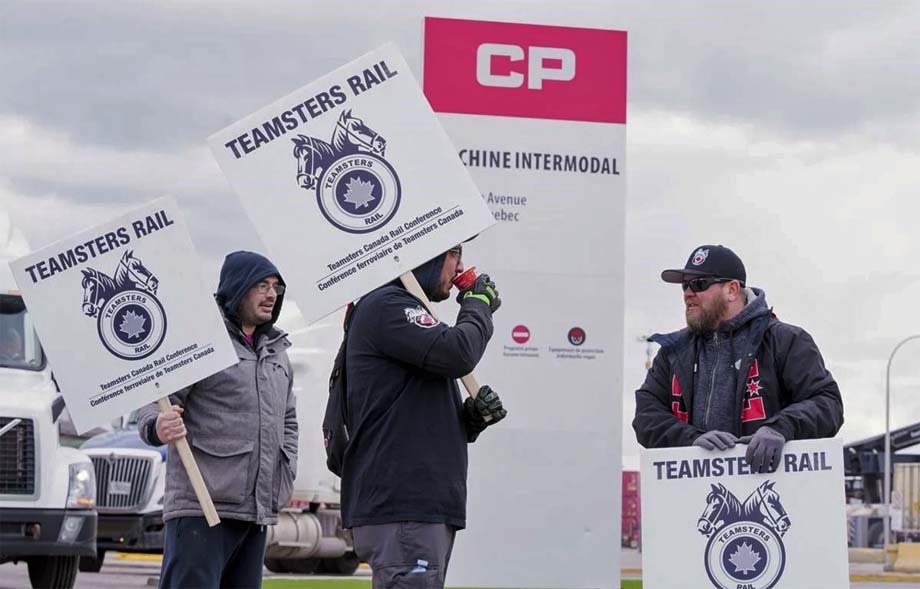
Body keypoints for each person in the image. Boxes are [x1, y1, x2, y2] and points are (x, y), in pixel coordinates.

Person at [342, 244, 507, 588]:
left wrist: (468, 420)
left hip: (415, 506)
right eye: (453, 254)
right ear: (426, 255)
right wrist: (478, 305)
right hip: (404, 507)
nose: (460, 266)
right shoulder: (387, 305)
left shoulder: (397, 309)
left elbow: (406, 410)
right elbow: (457, 352)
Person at [137, 251, 297, 589]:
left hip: (255, 512)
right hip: (200, 507)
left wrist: (287, 467)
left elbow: (289, 419)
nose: (271, 295)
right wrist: (157, 427)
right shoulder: (200, 342)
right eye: (261, 286)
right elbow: (154, 400)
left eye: (275, 288)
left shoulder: (276, 350)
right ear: (237, 289)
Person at [632, 244, 844, 473]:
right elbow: (646, 415)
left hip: (770, 490)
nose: (687, 293)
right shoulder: (673, 352)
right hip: (693, 500)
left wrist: (781, 428)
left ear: (732, 290)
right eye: (685, 285)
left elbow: (827, 404)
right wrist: (689, 439)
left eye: (699, 284)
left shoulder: (785, 341)